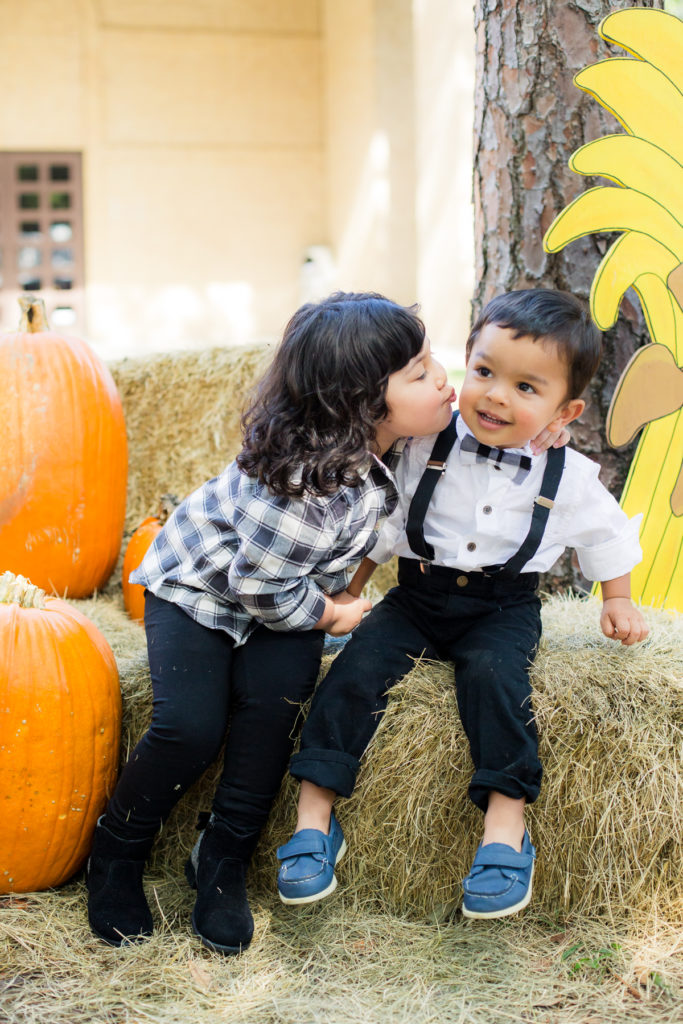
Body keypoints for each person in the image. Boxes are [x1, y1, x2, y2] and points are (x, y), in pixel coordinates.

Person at [86, 291, 458, 954]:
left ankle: (222, 858)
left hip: (284, 588)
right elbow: (260, 588)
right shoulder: (298, 483)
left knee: (271, 718)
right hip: (202, 590)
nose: (443, 381)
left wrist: (539, 431)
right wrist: (333, 614)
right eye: (422, 372)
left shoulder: (405, 436)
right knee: (188, 725)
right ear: (362, 402)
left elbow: (481, 440)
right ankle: (116, 851)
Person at [276, 288, 649, 920]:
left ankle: (506, 826)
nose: (496, 395)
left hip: (502, 608)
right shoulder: (426, 442)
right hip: (416, 596)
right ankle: (314, 819)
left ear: (567, 408)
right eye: (483, 372)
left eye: (526, 388)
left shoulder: (572, 478)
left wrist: (618, 599)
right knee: (355, 673)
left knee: (495, 681)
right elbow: (388, 527)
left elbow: (608, 535)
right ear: (467, 363)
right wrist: (354, 589)